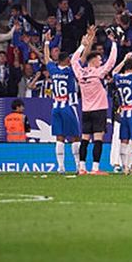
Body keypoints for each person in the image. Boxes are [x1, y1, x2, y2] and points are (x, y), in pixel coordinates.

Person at [72, 26, 117, 175]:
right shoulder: (98, 72)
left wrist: (83, 45)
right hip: (99, 110)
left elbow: (73, 60)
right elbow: (111, 62)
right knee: (98, 139)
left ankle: (82, 168)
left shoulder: (80, 73)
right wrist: (114, 43)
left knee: (84, 139)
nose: (101, 61)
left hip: (86, 110)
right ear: (93, 61)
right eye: (98, 59)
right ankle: (95, 168)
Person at [44, 34, 81, 173]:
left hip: (56, 107)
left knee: (60, 137)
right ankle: (78, 166)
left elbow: (46, 58)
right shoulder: (70, 71)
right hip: (69, 107)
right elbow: (81, 59)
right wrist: (84, 44)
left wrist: (47, 42)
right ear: (66, 60)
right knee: (75, 136)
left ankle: (61, 167)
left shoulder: (53, 70)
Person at [112, 53, 132, 175]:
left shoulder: (119, 78)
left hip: (123, 113)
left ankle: (124, 167)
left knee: (124, 140)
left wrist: (124, 60)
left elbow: (114, 71)